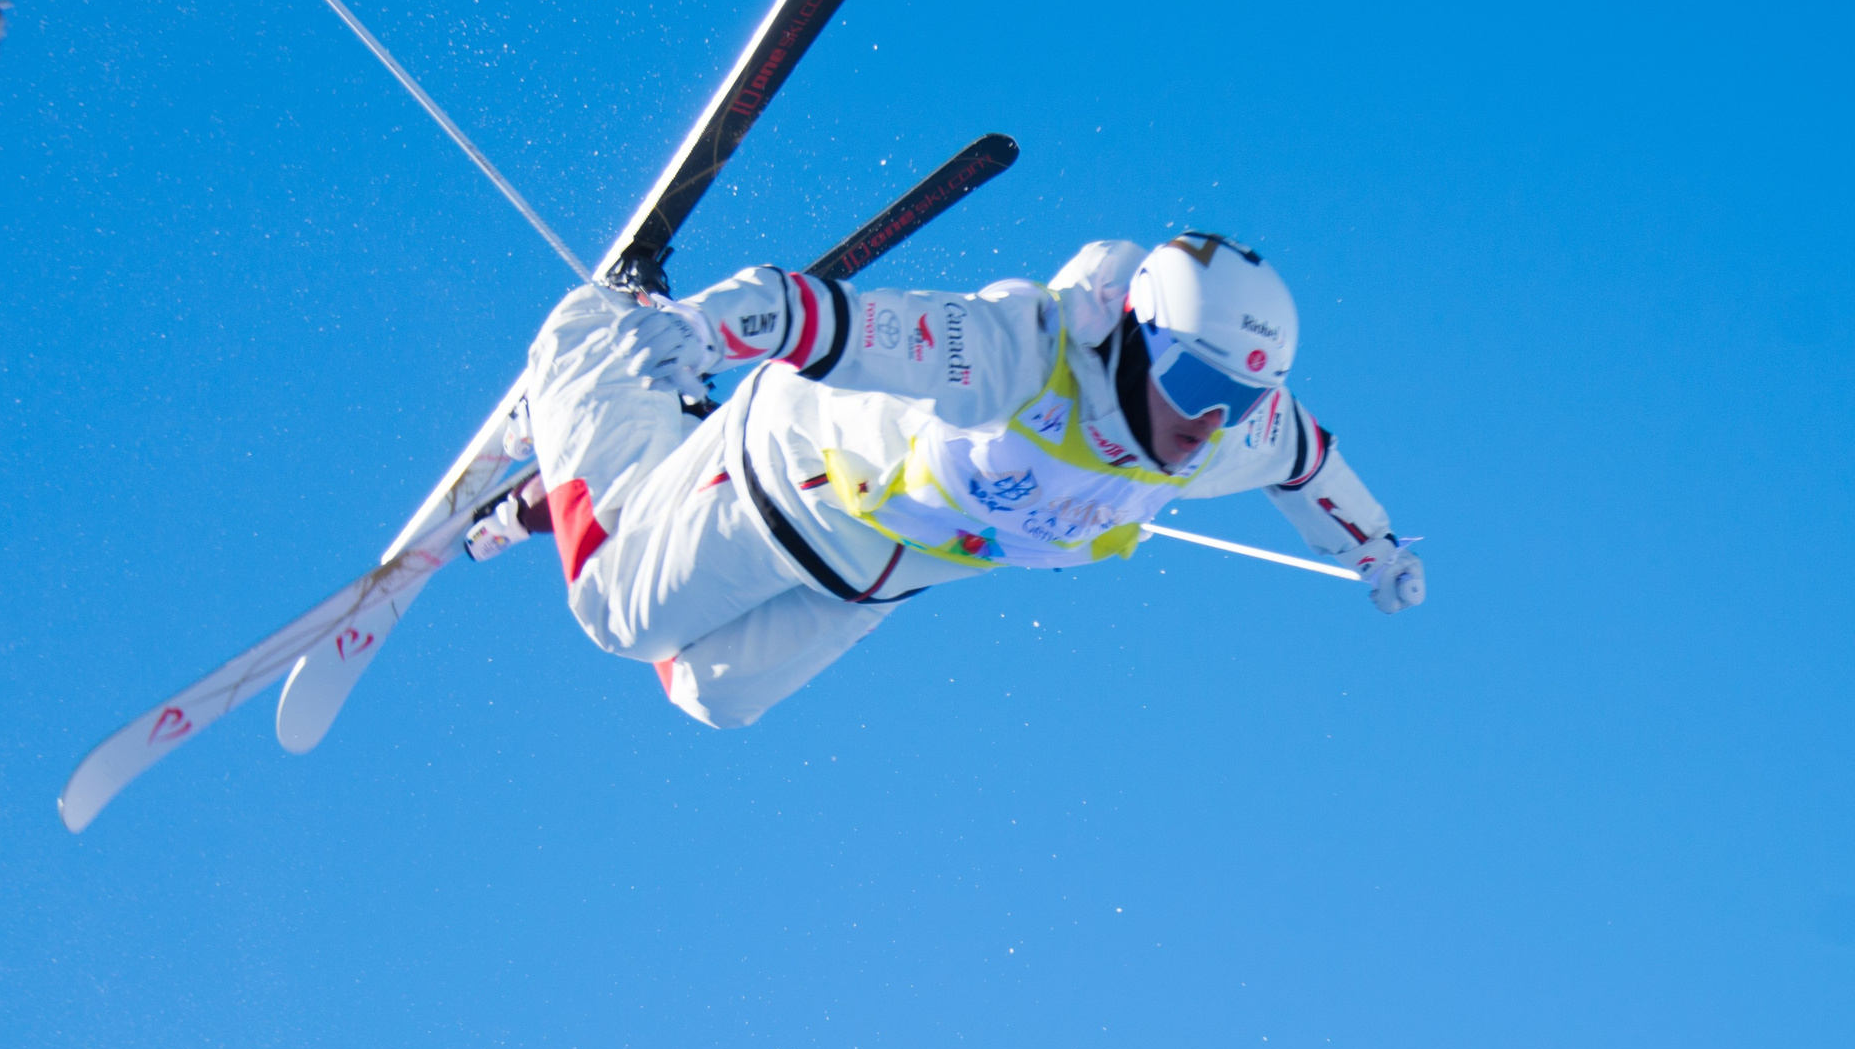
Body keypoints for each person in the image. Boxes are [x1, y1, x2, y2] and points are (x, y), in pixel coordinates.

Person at [466, 233, 1425, 731]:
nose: (1211, 419)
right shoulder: (1022, 355)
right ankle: (589, 340)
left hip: (869, 583)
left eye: (1245, 396)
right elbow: (833, 320)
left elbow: (1308, 463)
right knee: (615, 616)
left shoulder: (1223, 437)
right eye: (1200, 382)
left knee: (712, 697)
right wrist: (710, 329)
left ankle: (629, 450)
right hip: (774, 487)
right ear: (1140, 337)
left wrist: (1374, 547)